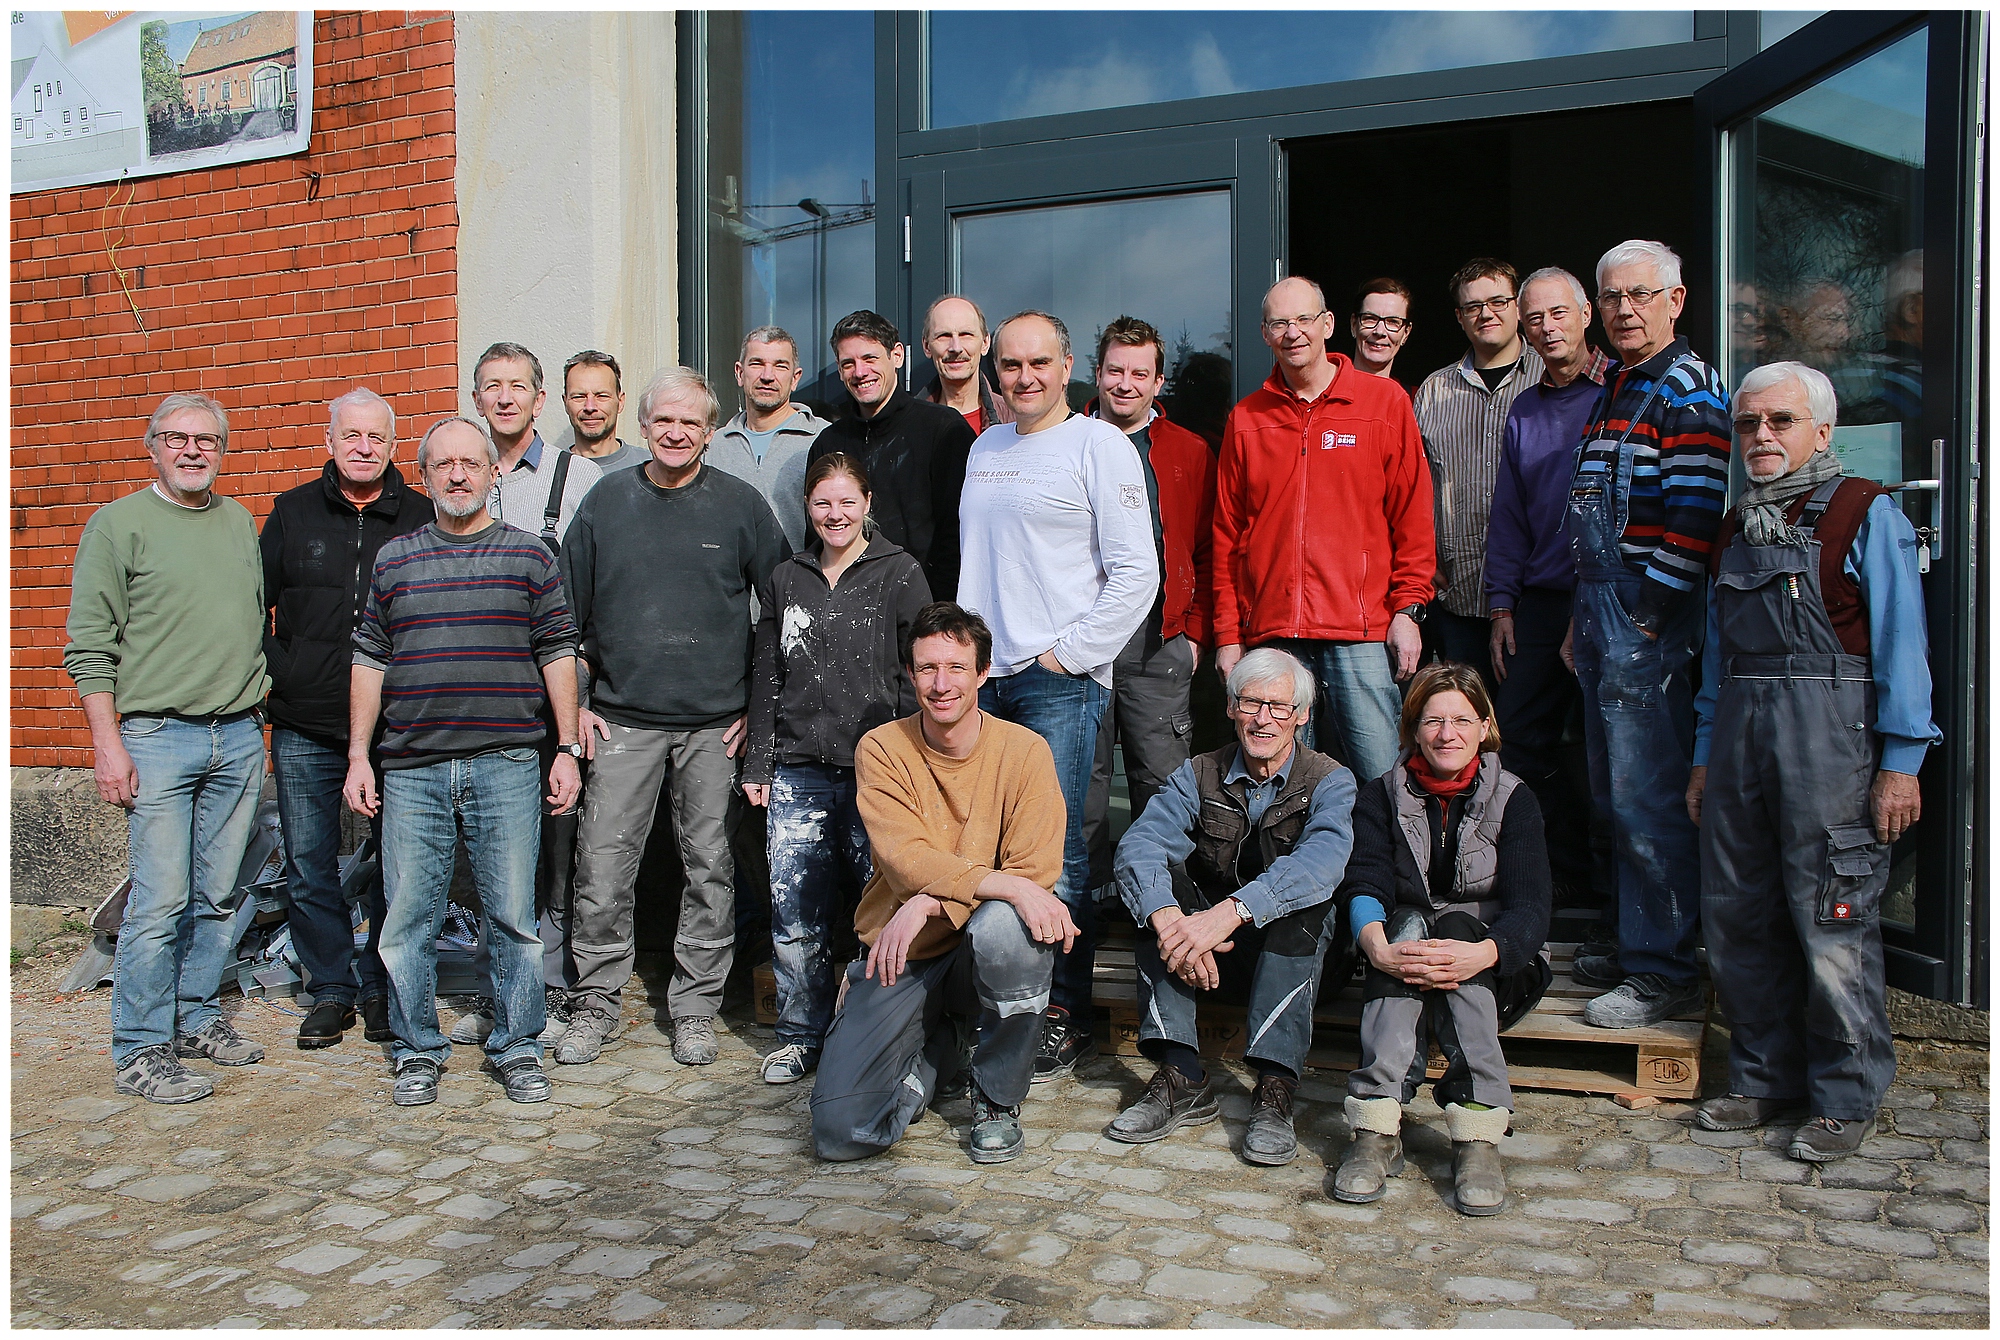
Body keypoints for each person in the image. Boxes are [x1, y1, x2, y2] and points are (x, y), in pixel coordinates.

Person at [1685, 361, 1938, 1161]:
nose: (1761, 436)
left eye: (1781, 422)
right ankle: (1763, 1078)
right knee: (1739, 914)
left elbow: (1903, 644)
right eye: (1748, 424)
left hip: (1831, 740)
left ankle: (1843, 1095)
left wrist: (1901, 763)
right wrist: (1703, 756)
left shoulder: (1866, 511)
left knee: (1833, 915)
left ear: (1822, 432)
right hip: (1739, 733)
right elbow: (1717, 658)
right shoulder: (1735, 524)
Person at [345, 416, 584, 1107]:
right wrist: (359, 755)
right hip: (412, 766)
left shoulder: (530, 557)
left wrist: (566, 747)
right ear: (424, 477)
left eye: (470, 463)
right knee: (407, 922)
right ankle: (417, 1050)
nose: (457, 474)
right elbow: (369, 657)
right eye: (443, 464)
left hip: (506, 761)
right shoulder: (394, 559)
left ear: (493, 473)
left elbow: (557, 651)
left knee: (512, 917)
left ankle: (518, 1046)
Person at [558, 368, 792, 1067]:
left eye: (691, 422)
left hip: (715, 724)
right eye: (664, 419)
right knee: (602, 867)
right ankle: (595, 1003)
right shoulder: (605, 503)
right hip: (620, 719)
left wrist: (758, 711)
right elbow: (563, 619)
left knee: (710, 869)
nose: (676, 432)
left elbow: (782, 614)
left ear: (711, 431)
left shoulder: (741, 507)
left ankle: (694, 1008)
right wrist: (576, 708)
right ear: (643, 425)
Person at [959, 308, 1158, 1083]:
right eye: (1010, 365)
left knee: (1064, 852)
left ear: (1068, 366)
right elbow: (979, 565)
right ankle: (1002, 1001)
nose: (1025, 377)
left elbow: (1137, 574)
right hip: (986, 682)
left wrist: (1067, 656)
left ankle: (1063, 1012)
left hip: (1059, 684)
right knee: (987, 845)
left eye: (1039, 363)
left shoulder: (1100, 446)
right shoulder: (986, 447)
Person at [810, 603, 1070, 1165]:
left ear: (983, 672)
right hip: (904, 952)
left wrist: (930, 900)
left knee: (1010, 927)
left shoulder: (1026, 751)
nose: (942, 683)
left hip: (980, 951)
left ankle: (997, 1098)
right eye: (928, 668)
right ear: (910, 674)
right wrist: (931, 895)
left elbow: (1032, 874)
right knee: (841, 1130)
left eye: (956, 667)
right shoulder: (882, 748)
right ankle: (942, 1052)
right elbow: (904, 857)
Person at [66, 393, 271, 1104]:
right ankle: (140, 1049)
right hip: (157, 738)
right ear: (152, 447)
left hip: (238, 735)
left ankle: (195, 1017)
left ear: (222, 450)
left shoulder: (238, 521)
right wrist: (107, 743)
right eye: (177, 438)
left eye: (206, 440)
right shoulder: (118, 525)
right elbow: (89, 645)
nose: (192, 451)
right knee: (158, 903)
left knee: (218, 896)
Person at [1564, 240, 1732, 1030]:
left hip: (1642, 613)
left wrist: (1646, 617)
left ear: (1676, 300)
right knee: (1612, 794)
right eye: (1611, 296)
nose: (1624, 309)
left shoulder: (1687, 390)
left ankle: (1665, 969)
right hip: (1602, 607)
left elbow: (1694, 519)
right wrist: (1584, 619)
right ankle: (1639, 939)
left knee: (1647, 796)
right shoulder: (1619, 386)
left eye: (1640, 294)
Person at [1107, 648, 1355, 1165]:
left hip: (1300, 960)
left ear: (1301, 715)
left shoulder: (1331, 780)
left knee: (1306, 904)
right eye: (1250, 703)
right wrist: (1170, 921)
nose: (1263, 719)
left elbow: (1321, 864)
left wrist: (1226, 915)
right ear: (1230, 707)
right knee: (1155, 893)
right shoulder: (1198, 772)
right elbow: (1141, 844)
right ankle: (1182, 1075)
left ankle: (1275, 1086)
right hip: (1209, 958)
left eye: (1278, 706)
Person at [1332, 662, 1551, 1215]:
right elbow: (1366, 880)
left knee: (1456, 925)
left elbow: (1531, 906)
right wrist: (1376, 947)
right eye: (1432, 721)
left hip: (1495, 965)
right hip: (1404, 961)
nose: (1446, 734)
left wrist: (1482, 953)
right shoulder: (1380, 795)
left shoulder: (1515, 798)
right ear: (1413, 729)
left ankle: (1477, 1137)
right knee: (1403, 926)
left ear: (1484, 727)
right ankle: (1376, 1128)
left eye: (1461, 720)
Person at [743, 452, 932, 1084]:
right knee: (795, 910)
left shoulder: (900, 573)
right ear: (807, 507)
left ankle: (873, 1035)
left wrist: (917, 762)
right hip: (797, 769)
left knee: (879, 907)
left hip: (877, 771)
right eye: (823, 502)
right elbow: (768, 673)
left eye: (847, 501)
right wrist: (759, 761)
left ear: (868, 504)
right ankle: (800, 1035)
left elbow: (918, 674)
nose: (835, 514)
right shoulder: (787, 577)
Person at [261, 387, 435, 1050]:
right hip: (305, 721)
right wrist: (283, 670)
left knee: (400, 864)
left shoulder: (420, 517)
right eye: (351, 436)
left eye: (376, 438)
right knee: (309, 862)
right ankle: (331, 988)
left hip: (396, 724)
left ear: (393, 446)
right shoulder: (292, 511)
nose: (364, 448)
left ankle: (383, 986)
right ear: (329, 441)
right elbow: (255, 604)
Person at [1212, 276, 1435, 785]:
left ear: (1328, 324)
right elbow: (1227, 536)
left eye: (1303, 319)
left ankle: (1387, 845)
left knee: (1381, 777)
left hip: (1360, 629)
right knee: (1282, 780)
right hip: (1274, 633)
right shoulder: (1247, 418)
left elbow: (1413, 518)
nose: (1292, 333)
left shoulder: (1384, 402)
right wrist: (1228, 635)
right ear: (1265, 334)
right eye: (1279, 323)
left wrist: (1408, 609)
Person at [455, 341, 605, 1047]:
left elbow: (601, 592)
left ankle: (560, 984)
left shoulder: (580, 478)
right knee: (497, 845)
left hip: (559, 685)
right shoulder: (461, 475)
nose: (505, 397)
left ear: (540, 400)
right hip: (487, 690)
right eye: (492, 385)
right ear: (477, 399)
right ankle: (503, 986)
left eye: (518, 385)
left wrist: (585, 695)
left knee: (563, 840)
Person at [1485, 267, 1611, 934]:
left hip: (1610, 597)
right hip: (1538, 601)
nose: (1547, 327)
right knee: (1515, 742)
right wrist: (1502, 605)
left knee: (1606, 747)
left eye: (1559, 313)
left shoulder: (1621, 392)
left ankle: (1611, 900)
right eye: (1534, 318)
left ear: (1586, 313)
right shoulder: (1526, 410)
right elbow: (1508, 516)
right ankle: (1549, 878)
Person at [1082, 316, 1216, 896]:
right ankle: (1079, 922)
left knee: (1161, 786)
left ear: (1159, 382)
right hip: (1079, 641)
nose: (1126, 384)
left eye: (1140, 373)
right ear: (1097, 373)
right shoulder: (1065, 440)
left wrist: (1196, 632)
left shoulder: (1189, 450)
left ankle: (1158, 914)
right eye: (1116, 370)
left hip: (1159, 640)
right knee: (1080, 787)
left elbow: (1209, 548)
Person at [1413, 259, 1545, 683]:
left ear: (1518, 306)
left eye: (1498, 302)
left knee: (1526, 720)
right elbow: (1409, 487)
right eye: (1473, 307)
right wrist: (1421, 559)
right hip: (1456, 595)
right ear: (1459, 316)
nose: (1486, 314)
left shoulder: (1550, 378)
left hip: (1534, 596)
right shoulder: (1434, 391)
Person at [810, 310, 977, 600]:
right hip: (848, 608)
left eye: (870, 358)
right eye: (848, 363)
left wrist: (940, 614)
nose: (860, 372)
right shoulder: (829, 443)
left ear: (897, 356)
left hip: (927, 608)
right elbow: (816, 540)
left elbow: (959, 535)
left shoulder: (943, 430)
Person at [711, 326, 832, 549]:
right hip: (730, 573)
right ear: (739, 373)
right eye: (757, 364)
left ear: (795, 378)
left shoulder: (824, 439)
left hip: (803, 571)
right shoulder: (714, 446)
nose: (767, 376)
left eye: (780, 366)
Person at [918, 294, 1013, 433]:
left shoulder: (1014, 419)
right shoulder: (906, 423)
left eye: (966, 335)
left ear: (985, 343)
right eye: (944, 336)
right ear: (927, 346)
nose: (956, 348)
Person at [560, 349, 647, 475]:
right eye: (579, 397)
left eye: (602, 396)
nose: (590, 407)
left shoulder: (650, 468)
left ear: (620, 402)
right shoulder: (550, 472)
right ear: (565, 403)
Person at [1348, 277, 1417, 385]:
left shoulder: (1415, 395)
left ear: (1406, 333)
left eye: (1393, 322)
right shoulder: (1325, 388)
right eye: (1370, 319)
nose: (1380, 332)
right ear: (1354, 324)